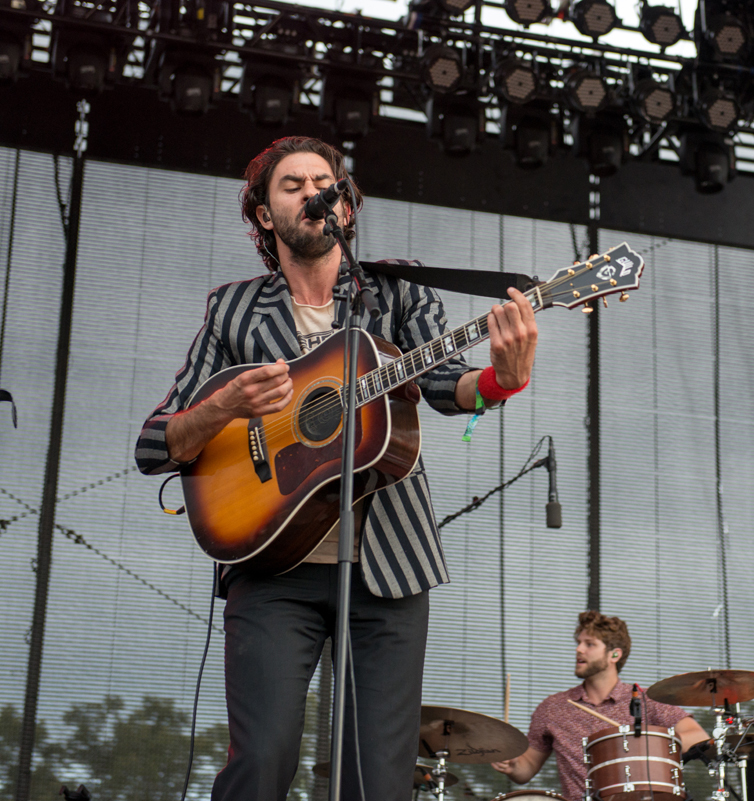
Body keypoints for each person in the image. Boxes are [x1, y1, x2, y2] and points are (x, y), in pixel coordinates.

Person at [134, 136, 538, 801]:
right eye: (292, 185)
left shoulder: (396, 289)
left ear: (345, 206)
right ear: (264, 214)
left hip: (389, 565)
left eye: (325, 183)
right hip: (269, 566)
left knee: (377, 779)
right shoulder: (234, 309)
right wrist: (224, 406)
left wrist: (502, 380)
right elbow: (155, 445)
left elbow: (445, 384)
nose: (313, 193)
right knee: (262, 758)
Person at [491, 611, 709, 801]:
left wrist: (642, 742)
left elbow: (697, 737)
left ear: (614, 654)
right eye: (578, 642)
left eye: (589, 644)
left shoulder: (645, 700)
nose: (579, 649)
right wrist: (512, 765)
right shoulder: (553, 708)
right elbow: (527, 767)